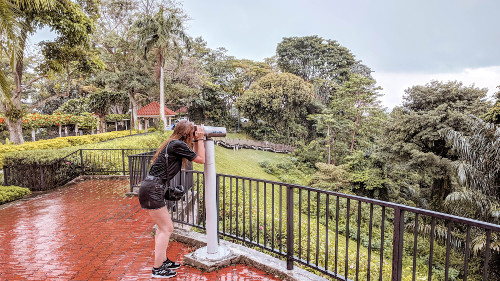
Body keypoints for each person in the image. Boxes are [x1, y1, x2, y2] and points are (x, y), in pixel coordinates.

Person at [138, 120, 205, 278]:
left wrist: (196, 140)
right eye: (192, 131)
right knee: (166, 228)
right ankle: (157, 269)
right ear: (187, 133)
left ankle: (162, 261)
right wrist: (200, 139)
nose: (194, 133)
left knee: (163, 229)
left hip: (152, 188)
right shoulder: (177, 145)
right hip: (153, 189)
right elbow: (201, 159)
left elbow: (195, 156)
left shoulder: (174, 143)